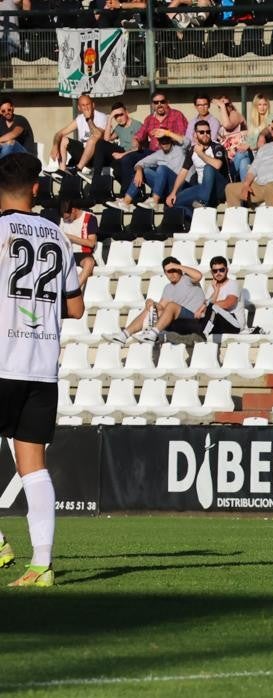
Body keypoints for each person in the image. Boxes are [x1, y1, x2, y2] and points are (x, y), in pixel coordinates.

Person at [0, 153, 84, 587]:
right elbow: (75, 307)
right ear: (36, 188)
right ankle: (41, 565)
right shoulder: (58, 235)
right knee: (33, 465)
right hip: (41, 365)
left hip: (1, 360)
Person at [106, 257, 205, 343]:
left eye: (173, 270)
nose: (171, 274)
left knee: (171, 305)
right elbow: (161, 307)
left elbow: (199, 276)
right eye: (168, 272)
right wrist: (151, 303)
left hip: (195, 319)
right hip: (179, 322)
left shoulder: (187, 278)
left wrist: (178, 266)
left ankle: (152, 334)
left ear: (179, 269)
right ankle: (124, 335)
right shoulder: (168, 288)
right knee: (151, 309)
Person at [106, 135, 183, 212]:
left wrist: (167, 133)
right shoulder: (158, 154)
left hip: (181, 186)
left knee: (162, 168)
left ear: (171, 140)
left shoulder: (181, 149)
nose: (165, 143)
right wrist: (139, 171)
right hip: (167, 188)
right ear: (158, 143)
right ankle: (126, 202)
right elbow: (140, 163)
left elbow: (186, 141)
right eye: (162, 141)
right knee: (143, 170)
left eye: (167, 141)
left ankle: (154, 201)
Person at [166, 119, 228, 213]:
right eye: (201, 132)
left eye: (208, 132)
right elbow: (183, 172)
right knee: (175, 202)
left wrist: (200, 154)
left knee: (208, 167)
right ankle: (192, 218)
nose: (205, 134)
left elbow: (217, 165)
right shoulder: (192, 150)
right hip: (202, 187)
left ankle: (204, 204)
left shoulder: (217, 147)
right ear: (195, 134)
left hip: (219, 188)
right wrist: (173, 193)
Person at [50, 94, 107, 175]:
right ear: (79, 108)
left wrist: (88, 119)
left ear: (93, 105)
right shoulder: (79, 119)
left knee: (92, 139)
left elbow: (98, 135)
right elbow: (59, 133)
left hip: (96, 155)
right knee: (63, 139)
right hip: (83, 154)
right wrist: (55, 146)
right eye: (83, 105)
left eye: (88, 104)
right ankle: (62, 172)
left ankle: (78, 168)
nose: (86, 107)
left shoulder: (101, 116)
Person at [59, 198, 96, 290]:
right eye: (64, 218)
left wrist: (70, 237)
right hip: (66, 253)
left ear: (73, 210)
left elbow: (91, 243)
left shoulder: (89, 218)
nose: (66, 220)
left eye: (67, 217)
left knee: (89, 262)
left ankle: (74, 289)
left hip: (82, 253)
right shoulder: (62, 220)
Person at [201, 256, 242, 335]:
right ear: (211, 272)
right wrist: (215, 291)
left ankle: (202, 335)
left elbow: (228, 303)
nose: (218, 273)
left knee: (212, 308)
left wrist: (207, 306)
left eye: (222, 270)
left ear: (227, 270)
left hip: (234, 325)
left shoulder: (233, 284)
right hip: (217, 323)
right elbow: (205, 307)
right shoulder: (211, 287)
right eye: (215, 271)